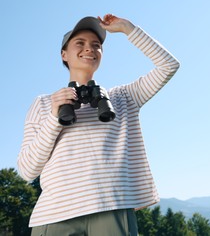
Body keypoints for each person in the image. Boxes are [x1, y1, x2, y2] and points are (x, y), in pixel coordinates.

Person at [17, 14, 180, 236]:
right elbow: (27, 170)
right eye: (80, 43)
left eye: (97, 45)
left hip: (111, 206)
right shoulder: (44, 103)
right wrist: (55, 119)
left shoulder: (123, 97)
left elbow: (168, 66)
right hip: (54, 213)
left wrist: (128, 29)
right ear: (64, 54)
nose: (90, 49)